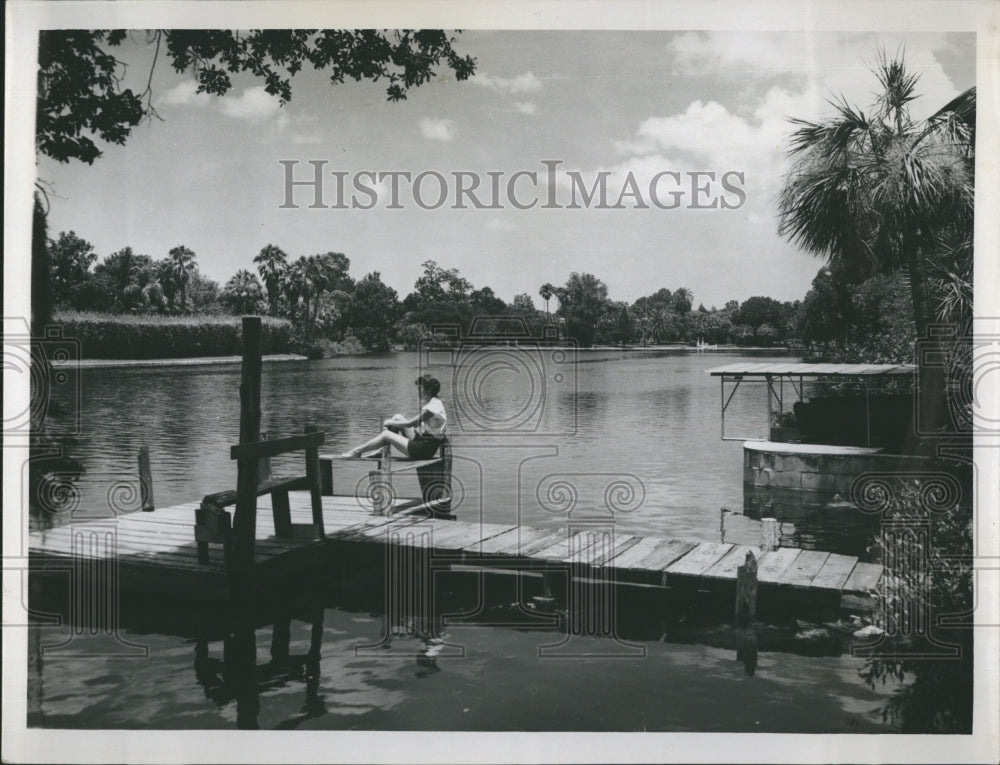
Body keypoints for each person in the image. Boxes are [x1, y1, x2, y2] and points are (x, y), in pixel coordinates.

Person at [339, 375, 446, 460]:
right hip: (423, 442)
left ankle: (356, 452)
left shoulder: (433, 407)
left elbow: (412, 423)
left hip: (423, 451)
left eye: (420, 389)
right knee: (397, 417)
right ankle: (382, 450)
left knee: (386, 434)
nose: (418, 392)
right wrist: (394, 422)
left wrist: (390, 423)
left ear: (428, 390)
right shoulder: (435, 402)